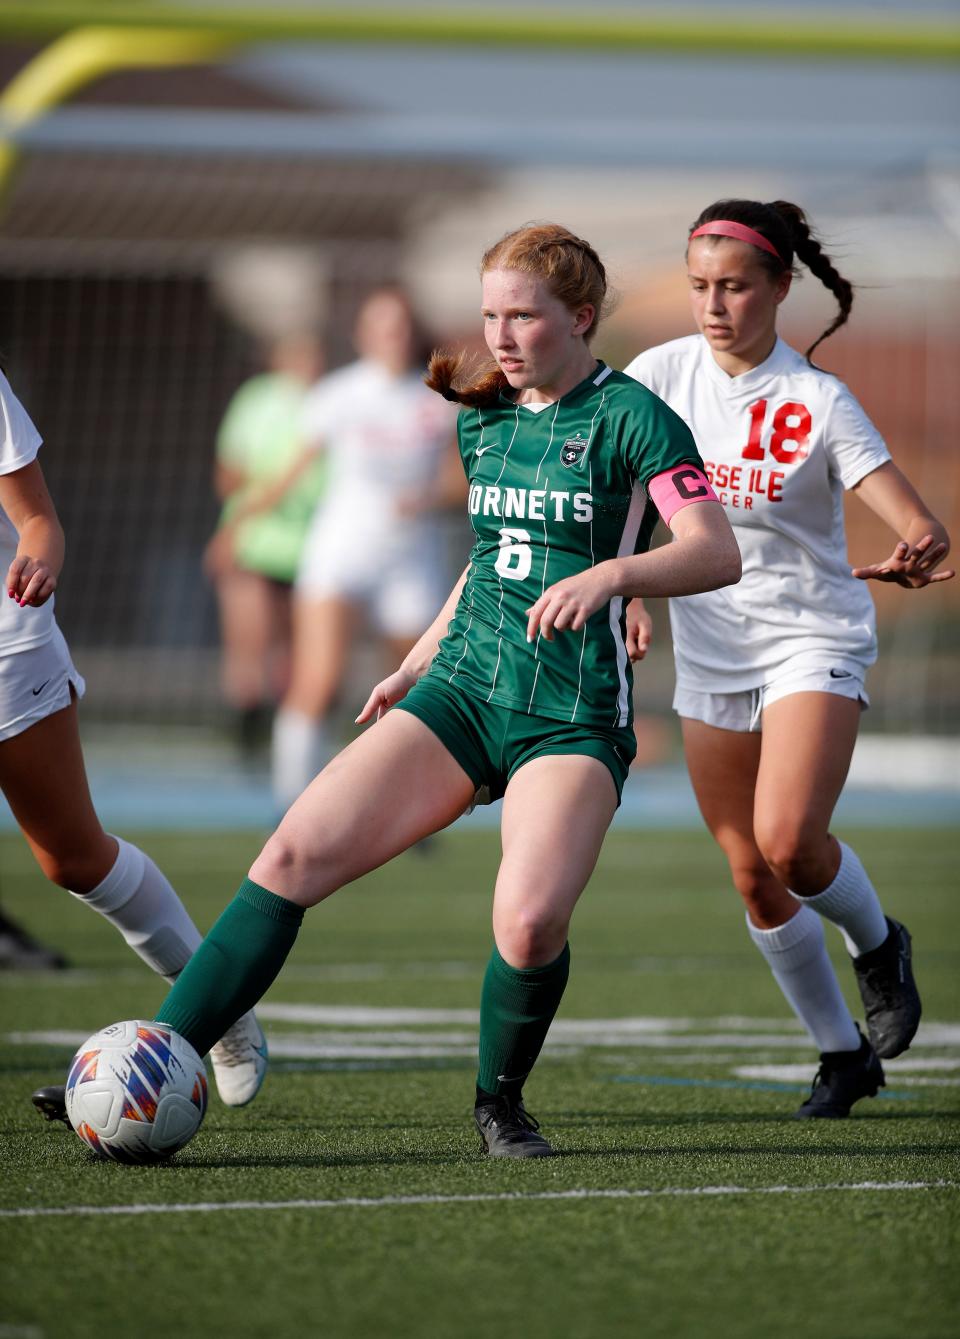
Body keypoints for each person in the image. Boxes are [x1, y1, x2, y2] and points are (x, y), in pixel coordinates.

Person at [144, 223, 741, 1158]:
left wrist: (611, 579)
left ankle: (499, 1101)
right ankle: (156, 1059)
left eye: (525, 315)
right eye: (491, 313)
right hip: (461, 691)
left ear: (580, 317)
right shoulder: (482, 412)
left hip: (569, 715)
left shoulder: (634, 417)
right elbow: (490, 558)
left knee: (531, 919)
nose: (501, 334)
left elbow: (716, 549)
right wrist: (418, 657)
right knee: (294, 852)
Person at [623, 199, 953, 1118]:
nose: (713, 305)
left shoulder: (817, 398)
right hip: (713, 647)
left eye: (733, 286)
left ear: (780, 288)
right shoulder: (657, 374)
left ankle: (880, 943)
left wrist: (923, 541)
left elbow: (914, 517)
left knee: (790, 841)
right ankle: (842, 1054)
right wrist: (633, 592)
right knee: (752, 874)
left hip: (813, 636)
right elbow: (623, 495)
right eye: (699, 286)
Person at [0, 366, 266, 1120]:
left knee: (73, 858)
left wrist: (41, 559)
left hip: (7, 649)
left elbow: (39, 522)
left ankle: (218, 1010)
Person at [271, 286, 464, 812]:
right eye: (381, 326)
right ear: (362, 334)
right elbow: (289, 472)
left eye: (400, 326)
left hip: (411, 557)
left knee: (414, 684)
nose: (392, 337)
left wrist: (426, 498)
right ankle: (292, 800)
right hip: (341, 551)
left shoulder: (437, 399)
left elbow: (463, 481)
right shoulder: (338, 394)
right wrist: (240, 526)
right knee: (321, 677)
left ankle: (400, 798)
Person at [203, 332, 327, 758]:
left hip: (307, 550)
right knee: (247, 647)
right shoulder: (256, 401)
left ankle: (282, 750)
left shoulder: (328, 405)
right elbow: (228, 472)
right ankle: (246, 741)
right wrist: (249, 509)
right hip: (252, 545)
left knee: (291, 658)